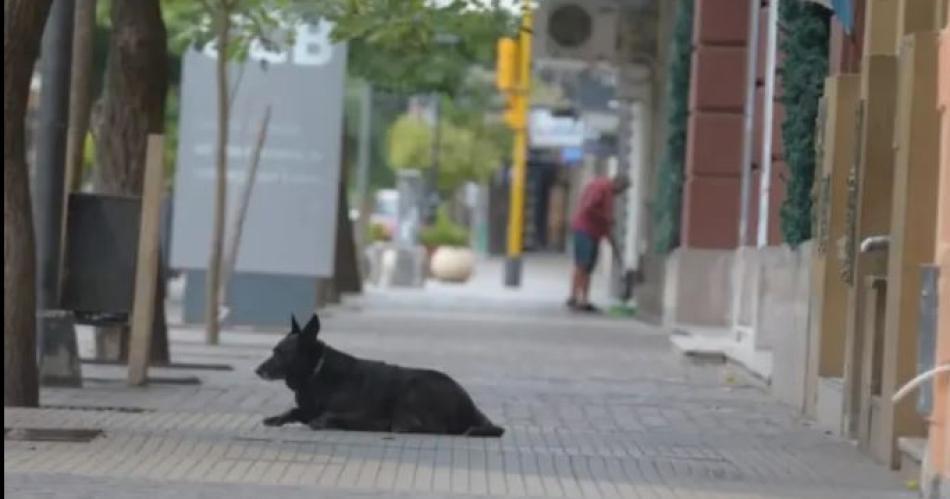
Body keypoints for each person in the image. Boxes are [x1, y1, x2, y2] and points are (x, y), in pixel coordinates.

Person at [567, 174, 630, 312]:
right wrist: (606, 218)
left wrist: (611, 241)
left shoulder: (607, 191)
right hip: (585, 231)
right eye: (621, 190)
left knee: (585, 266)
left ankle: (580, 299)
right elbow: (589, 207)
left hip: (591, 232)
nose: (619, 194)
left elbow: (605, 225)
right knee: (583, 265)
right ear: (618, 184)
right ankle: (577, 299)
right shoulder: (601, 187)